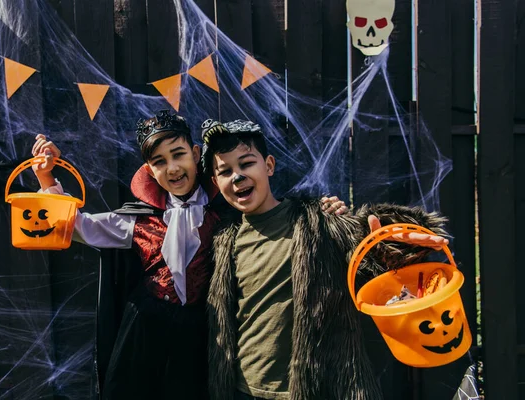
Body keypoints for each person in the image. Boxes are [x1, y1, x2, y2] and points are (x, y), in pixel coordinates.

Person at [30, 111, 348, 400]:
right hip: (145, 331)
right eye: (159, 161)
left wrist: (323, 213)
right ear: (149, 171)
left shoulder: (228, 211)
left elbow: (272, 219)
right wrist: (47, 177)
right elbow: (76, 226)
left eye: (178, 154)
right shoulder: (137, 220)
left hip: (200, 334)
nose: (172, 167)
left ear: (196, 155)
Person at [201, 119, 449, 400]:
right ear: (215, 182)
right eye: (226, 171)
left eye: (246, 164)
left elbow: (374, 254)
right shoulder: (223, 240)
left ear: (268, 165)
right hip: (244, 390)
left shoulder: (319, 221)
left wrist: (394, 235)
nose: (237, 176)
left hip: (319, 389)